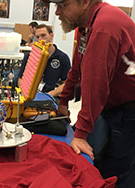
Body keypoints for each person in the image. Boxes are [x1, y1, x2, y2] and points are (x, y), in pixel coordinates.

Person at [46, 0, 135, 187]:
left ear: (85, 2)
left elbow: (96, 83)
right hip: (112, 106)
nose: (57, 12)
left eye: (62, 5)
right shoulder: (86, 27)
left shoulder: (105, 27)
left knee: (117, 173)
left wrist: (80, 134)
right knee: (99, 162)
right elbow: (77, 70)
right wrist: (63, 102)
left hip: (128, 110)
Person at [18, 24, 71, 98]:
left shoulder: (62, 58)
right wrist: (25, 93)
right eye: (37, 37)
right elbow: (20, 79)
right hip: (31, 95)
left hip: (52, 95)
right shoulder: (30, 56)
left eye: (43, 35)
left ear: (51, 35)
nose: (40, 39)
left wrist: (51, 94)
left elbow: (66, 83)